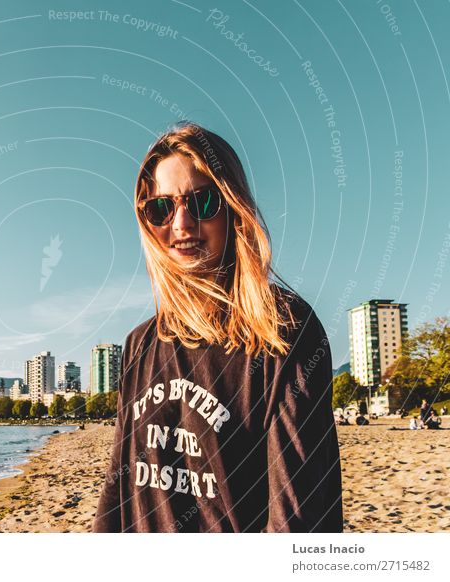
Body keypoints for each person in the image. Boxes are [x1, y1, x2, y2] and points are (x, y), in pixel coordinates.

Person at [92, 123, 343, 533]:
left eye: (202, 201)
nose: (181, 224)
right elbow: (117, 496)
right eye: (161, 208)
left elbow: (299, 521)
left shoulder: (285, 331)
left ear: (232, 206)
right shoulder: (139, 344)